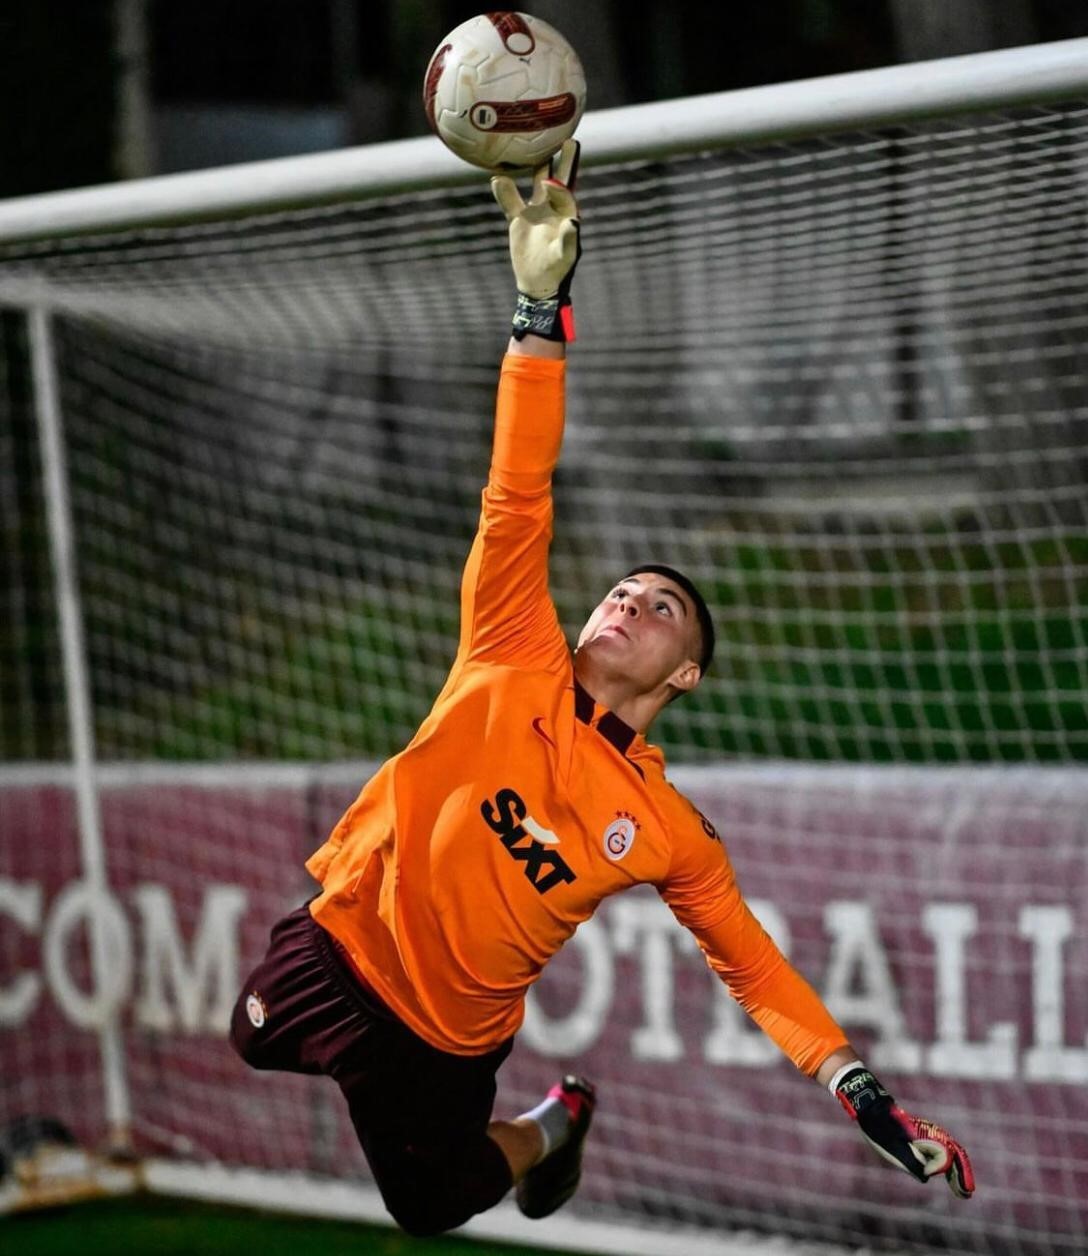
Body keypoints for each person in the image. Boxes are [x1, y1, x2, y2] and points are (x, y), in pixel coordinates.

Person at [229, 141, 974, 1237]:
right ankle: (510, 1122)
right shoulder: (509, 646)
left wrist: (856, 1087)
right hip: (341, 948)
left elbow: (752, 967)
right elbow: (517, 486)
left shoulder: (665, 828)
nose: (627, 598)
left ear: (685, 674)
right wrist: (539, 310)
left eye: (660, 606)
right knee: (248, 1036)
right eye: (621, 589)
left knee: (430, 1204)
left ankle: (552, 1126)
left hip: (448, 1038)